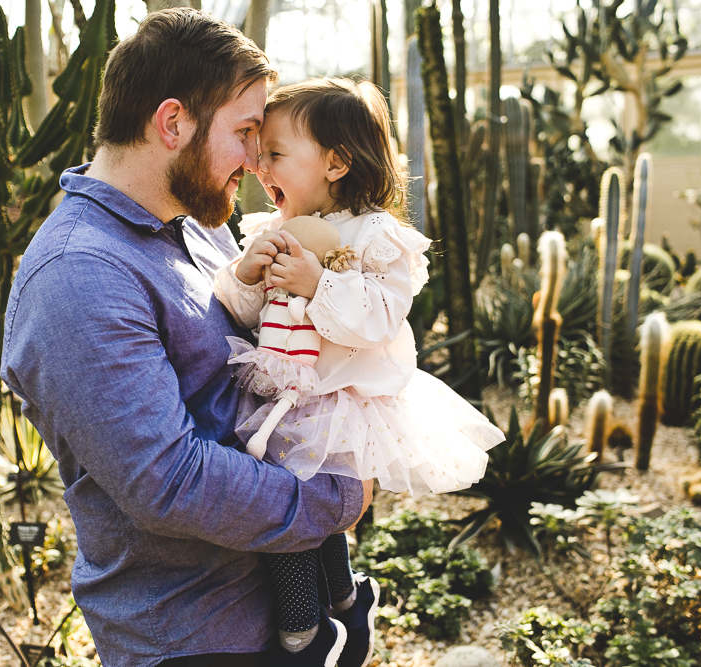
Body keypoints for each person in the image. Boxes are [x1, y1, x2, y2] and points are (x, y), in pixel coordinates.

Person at [0, 11, 372, 667]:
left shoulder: (195, 224)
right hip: (201, 637)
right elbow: (169, 481)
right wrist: (334, 495)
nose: (258, 160)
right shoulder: (78, 276)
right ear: (172, 123)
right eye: (245, 133)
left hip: (279, 600)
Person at [213, 78, 506, 667]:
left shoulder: (376, 237)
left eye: (274, 153)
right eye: (258, 151)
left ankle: (304, 626)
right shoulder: (271, 232)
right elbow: (242, 317)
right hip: (282, 395)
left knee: (296, 508)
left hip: (340, 401)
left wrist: (318, 283)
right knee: (302, 507)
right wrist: (245, 275)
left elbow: (378, 318)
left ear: (336, 162)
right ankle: (344, 597)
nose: (257, 165)